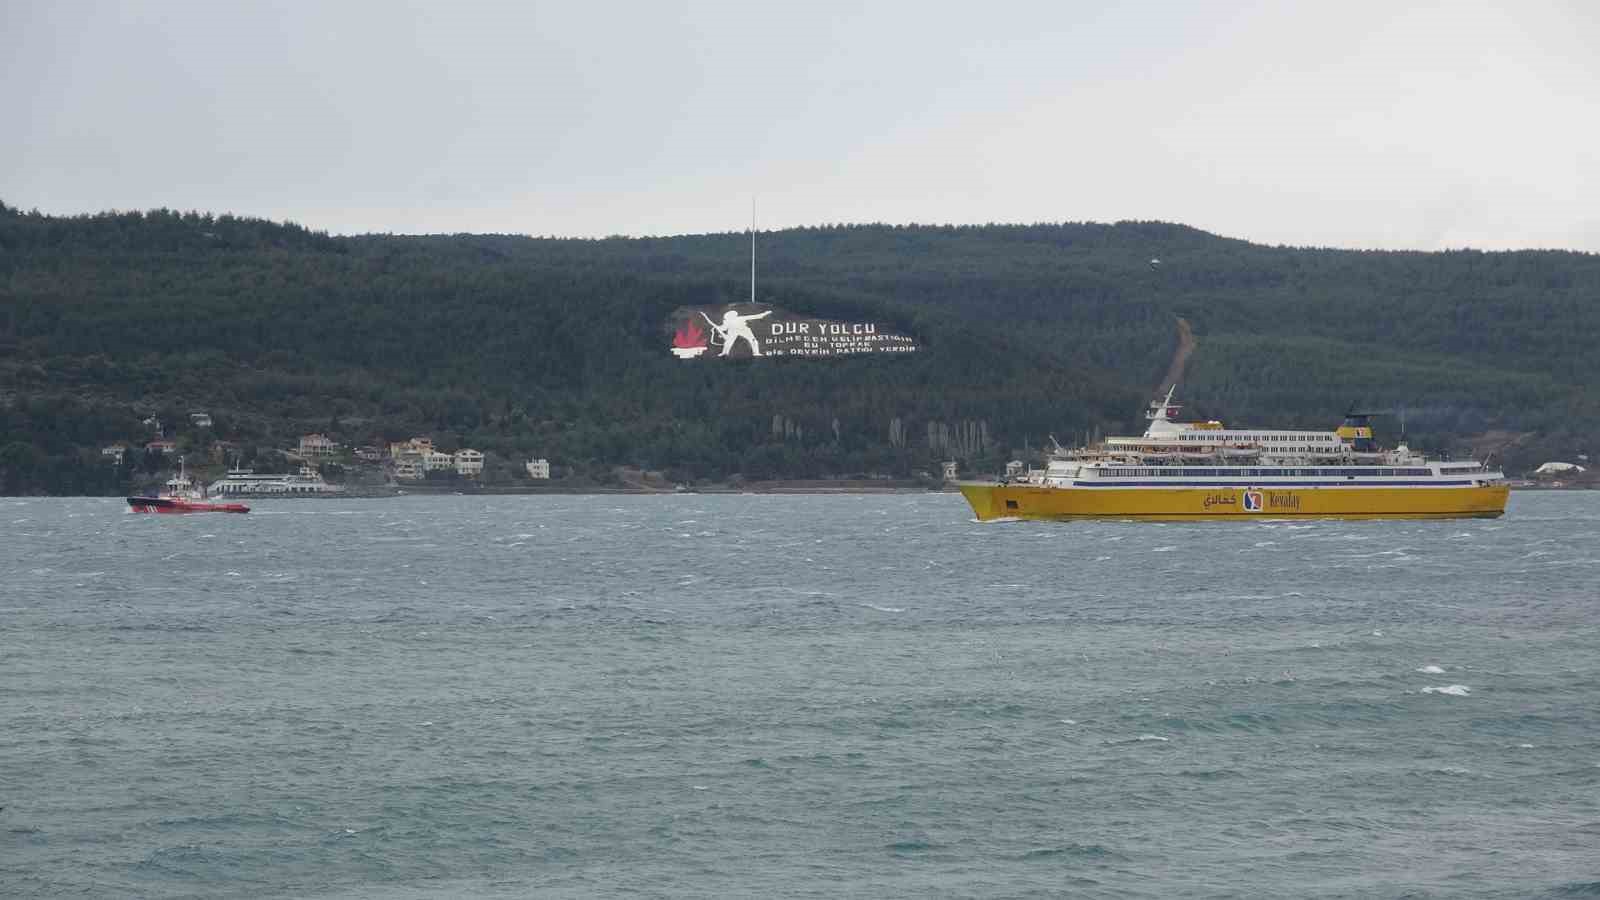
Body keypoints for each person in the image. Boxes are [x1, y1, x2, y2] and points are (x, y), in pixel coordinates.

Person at [707, 308, 772, 357]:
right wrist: (717, 328)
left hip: (744, 330)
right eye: (729, 317)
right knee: (728, 342)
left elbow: (756, 316)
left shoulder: (740, 318)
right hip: (733, 331)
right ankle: (725, 352)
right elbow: (722, 328)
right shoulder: (727, 322)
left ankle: (756, 353)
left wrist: (765, 313)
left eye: (732, 316)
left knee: (753, 340)